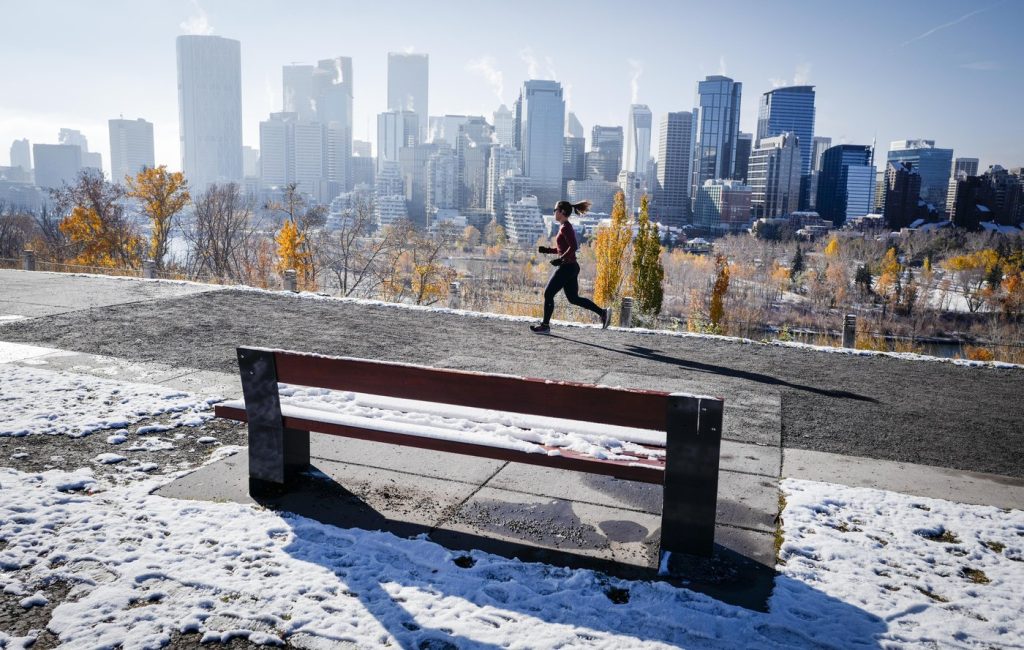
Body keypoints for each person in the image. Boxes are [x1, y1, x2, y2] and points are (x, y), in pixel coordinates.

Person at [531, 199, 611, 333]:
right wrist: (548, 250)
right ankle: (603, 313)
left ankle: (545, 326)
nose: (554, 212)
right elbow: (563, 248)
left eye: (555, 210)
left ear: (562, 212)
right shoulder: (564, 226)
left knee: (548, 293)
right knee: (573, 298)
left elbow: (574, 246)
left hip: (567, 268)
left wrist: (561, 260)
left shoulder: (566, 227)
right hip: (571, 267)